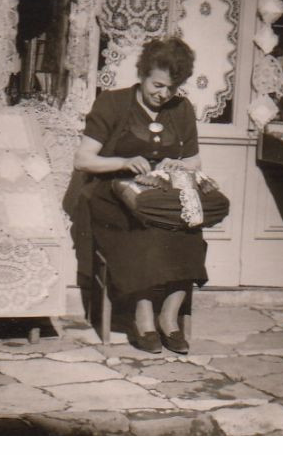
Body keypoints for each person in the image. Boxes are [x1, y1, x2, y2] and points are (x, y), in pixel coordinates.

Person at [75, 36, 208, 354]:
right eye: (158, 85)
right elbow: (83, 160)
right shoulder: (112, 103)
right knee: (139, 231)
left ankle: (169, 316)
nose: (164, 94)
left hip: (160, 192)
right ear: (143, 74)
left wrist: (179, 163)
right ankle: (143, 315)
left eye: (171, 88)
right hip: (112, 194)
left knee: (191, 229)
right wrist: (122, 162)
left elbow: (194, 161)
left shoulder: (181, 109)